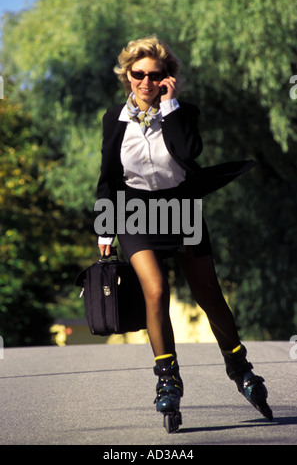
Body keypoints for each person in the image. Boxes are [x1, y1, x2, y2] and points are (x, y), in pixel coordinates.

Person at [96, 36, 273, 431]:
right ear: (127, 75)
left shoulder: (183, 112)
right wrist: (104, 227)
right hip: (134, 213)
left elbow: (187, 150)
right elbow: (108, 176)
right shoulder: (114, 118)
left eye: (154, 75)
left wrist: (170, 106)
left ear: (166, 78)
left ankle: (239, 365)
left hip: (181, 208)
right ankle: (167, 380)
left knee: (208, 292)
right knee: (155, 290)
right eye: (138, 74)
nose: (145, 81)